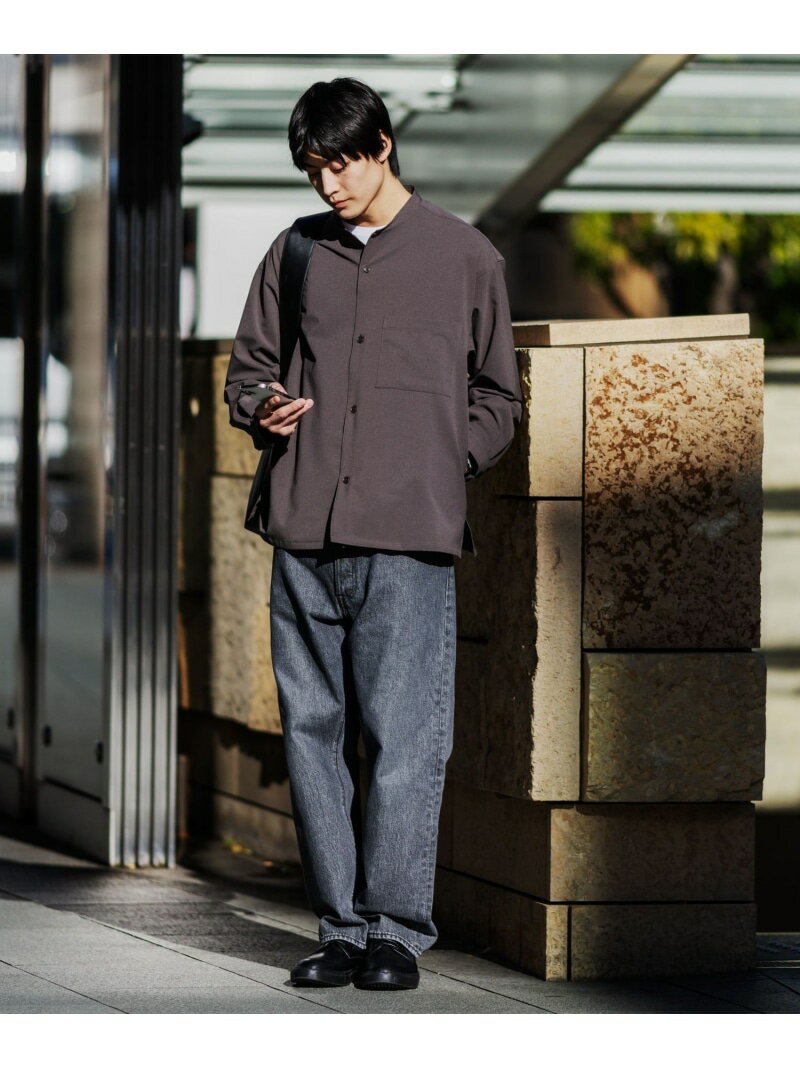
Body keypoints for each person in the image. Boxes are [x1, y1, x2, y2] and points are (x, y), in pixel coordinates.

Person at [224, 77, 521, 991]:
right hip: (304, 529)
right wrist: (262, 406)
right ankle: (341, 928)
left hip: (408, 536)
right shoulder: (295, 251)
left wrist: (442, 459)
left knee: (405, 739)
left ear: (383, 145)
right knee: (312, 737)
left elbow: (499, 396)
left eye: (341, 165)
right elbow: (248, 370)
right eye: (314, 170)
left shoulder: (465, 257)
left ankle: (395, 931)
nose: (329, 185)